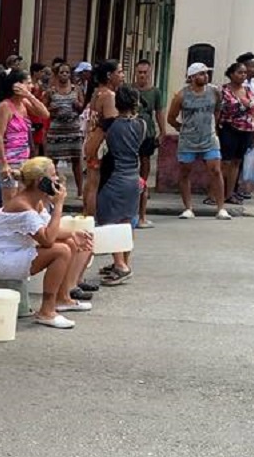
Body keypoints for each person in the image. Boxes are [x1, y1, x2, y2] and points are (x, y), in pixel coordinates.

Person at [0, 156, 94, 329]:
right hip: (0, 259)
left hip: (13, 254)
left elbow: (51, 231)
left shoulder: (36, 202)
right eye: (53, 175)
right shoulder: (22, 205)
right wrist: (59, 205)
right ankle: (47, 311)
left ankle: (62, 299)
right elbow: (47, 240)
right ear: (41, 180)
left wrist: (73, 234)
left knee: (69, 243)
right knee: (61, 250)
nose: (57, 179)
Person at [96, 86, 146, 286]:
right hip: (133, 176)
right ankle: (124, 261)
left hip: (113, 177)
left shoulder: (110, 125)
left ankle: (119, 265)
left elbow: (91, 149)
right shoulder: (142, 124)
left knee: (110, 222)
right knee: (127, 221)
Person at [167, 62, 230, 220]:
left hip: (209, 137)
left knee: (215, 170)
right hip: (188, 139)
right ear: (192, 77)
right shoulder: (182, 95)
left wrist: (213, 125)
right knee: (185, 172)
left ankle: (221, 207)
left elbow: (217, 109)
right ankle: (188, 207)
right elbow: (171, 117)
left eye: (206, 73)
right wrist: (182, 128)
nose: (205, 76)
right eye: (201, 73)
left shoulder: (214, 92)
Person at [0, 68, 49, 202]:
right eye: (28, 83)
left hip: (24, 159)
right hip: (10, 160)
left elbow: (44, 114)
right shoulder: (5, 106)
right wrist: (4, 163)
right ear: (17, 85)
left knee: (24, 199)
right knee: (10, 201)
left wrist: (30, 96)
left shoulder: (24, 103)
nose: (31, 86)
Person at [82, 60, 122, 213]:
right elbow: (109, 121)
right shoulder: (109, 95)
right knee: (94, 184)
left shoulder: (96, 92)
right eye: (119, 72)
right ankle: (90, 216)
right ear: (109, 75)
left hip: (91, 139)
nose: (122, 75)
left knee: (91, 182)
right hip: (100, 144)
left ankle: (86, 213)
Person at [217, 62, 254, 204]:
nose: (243, 75)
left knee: (237, 162)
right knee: (225, 162)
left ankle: (230, 193)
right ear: (231, 74)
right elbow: (225, 110)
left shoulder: (248, 90)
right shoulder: (224, 91)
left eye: (244, 73)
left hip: (247, 129)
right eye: (239, 72)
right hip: (229, 128)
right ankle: (218, 194)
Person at [44, 62, 86, 198]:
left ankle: (80, 191)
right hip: (56, 129)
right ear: (57, 75)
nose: (64, 75)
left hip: (73, 128)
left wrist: (77, 105)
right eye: (61, 72)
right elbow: (43, 109)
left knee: (76, 159)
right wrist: (52, 110)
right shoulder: (51, 91)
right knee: (52, 160)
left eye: (67, 72)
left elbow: (82, 107)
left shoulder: (76, 89)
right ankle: (51, 189)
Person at [133, 59, 166, 228]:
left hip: (148, 133)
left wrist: (163, 131)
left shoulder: (155, 92)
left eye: (145, 72)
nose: (142, 75)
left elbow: (159, 112)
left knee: (145, 163)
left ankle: (143, 188)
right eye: (140, 72)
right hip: (132, 133)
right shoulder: (130, 90)